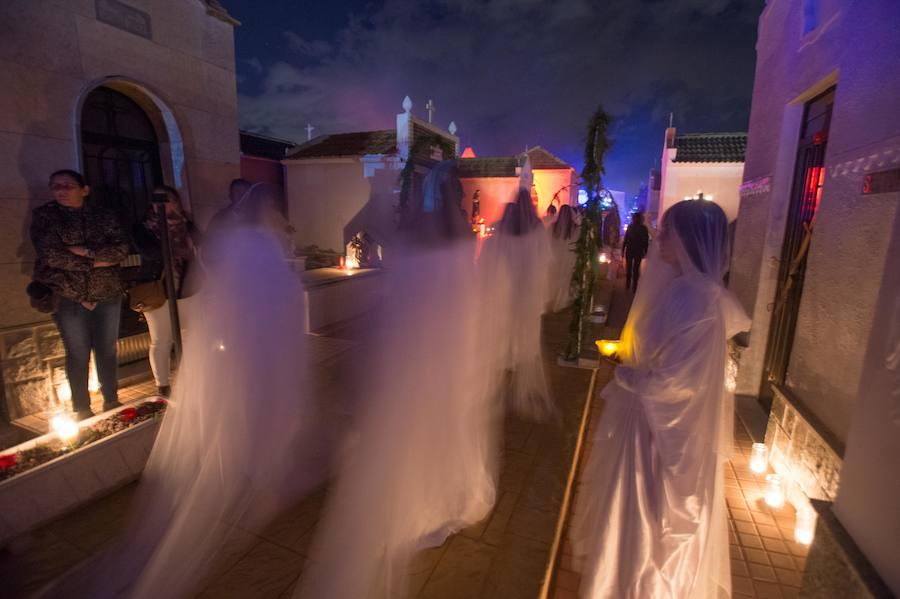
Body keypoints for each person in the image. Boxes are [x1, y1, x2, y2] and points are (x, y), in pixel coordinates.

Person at [59, 183, 319, 599]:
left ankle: (252, 459)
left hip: (232, 329)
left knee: (247, 402)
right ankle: (241, 458)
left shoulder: (230, 236)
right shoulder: (242, 240)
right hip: (228, 333)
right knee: (225, 391)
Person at [298, 161, 498, 599]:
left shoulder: (411, 235)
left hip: (415, 352)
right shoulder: (462, 236)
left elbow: (397, 299)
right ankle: (435, 500)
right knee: (440, 427)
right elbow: (465, 296)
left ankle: (415, 502)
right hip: (446, 349)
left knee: (413, 431)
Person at [569, 199, 751, 599]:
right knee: (638, 518)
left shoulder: (694, 297)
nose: (659, 237)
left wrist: (623, 370)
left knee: (648, 517)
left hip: (661, 437)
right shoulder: (689, 290)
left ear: (688, 237)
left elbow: (675, 381)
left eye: (667, 231)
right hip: (657, 425)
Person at [31, 170, 129, 420]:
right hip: (68, 295)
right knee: (77, 352)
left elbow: (119, 251)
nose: (61, 190)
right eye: (56, 186)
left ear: (85, 190)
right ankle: (82, 409)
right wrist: (94, 262)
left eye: (68, 185)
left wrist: (82, 251)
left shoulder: (103, 216)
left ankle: (111, 401)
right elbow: (51, 255)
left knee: (107, 350)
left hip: (107, 292)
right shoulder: (47, 216)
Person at [479, 187, 553, 419]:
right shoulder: (537, 230)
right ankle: (519, 364)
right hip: (526, 291)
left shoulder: (502, 230)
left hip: (506, 290)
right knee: (524, 330)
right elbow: (545, 260)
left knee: (505, 328)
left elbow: (487, 261)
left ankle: (506, 367)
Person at [136, 185, 200, 397]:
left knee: (190, 336)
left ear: (176, 202)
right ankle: (163, 385)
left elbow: (205, 249)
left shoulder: (188, 226)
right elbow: (149, 252)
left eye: (167, 199)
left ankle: (190, 377)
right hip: (158, 290)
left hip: (188, 288)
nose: (162, 204)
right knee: (161, 339)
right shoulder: (144, 228)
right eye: (157, 200)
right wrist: (167, 232)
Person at [546, 204, 579, 312]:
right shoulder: (575, 228)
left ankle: (555, 299)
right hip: (569, 256)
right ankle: (563, 300)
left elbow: (548, 242)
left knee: (556, 276)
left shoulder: (553, 227)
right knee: (566, 277)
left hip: (556, 256)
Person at [622, 211, 650, 293]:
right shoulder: (643, 228)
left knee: (629, 268)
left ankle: (628, 285)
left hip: (630, 250)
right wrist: (645, 251)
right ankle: (634, 286)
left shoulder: (631, 227)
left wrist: (623, 250)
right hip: (638, 250)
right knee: (636, 269)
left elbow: (626, 240)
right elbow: (646, 241)